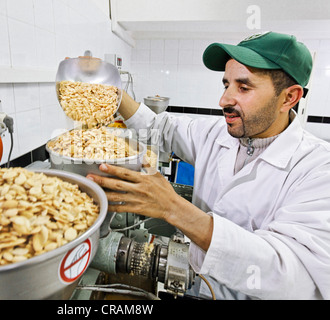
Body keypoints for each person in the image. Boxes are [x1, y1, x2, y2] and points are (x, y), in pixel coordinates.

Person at [86, 32, 330, 299]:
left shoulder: (318, 168)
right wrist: (115, 94)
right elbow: (159, 126)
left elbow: (292, 275)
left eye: (244, 87)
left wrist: (174, 208)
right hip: (197, 287)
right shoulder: (219, 133)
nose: (224, 100)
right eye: (226, 85)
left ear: (289, 98)